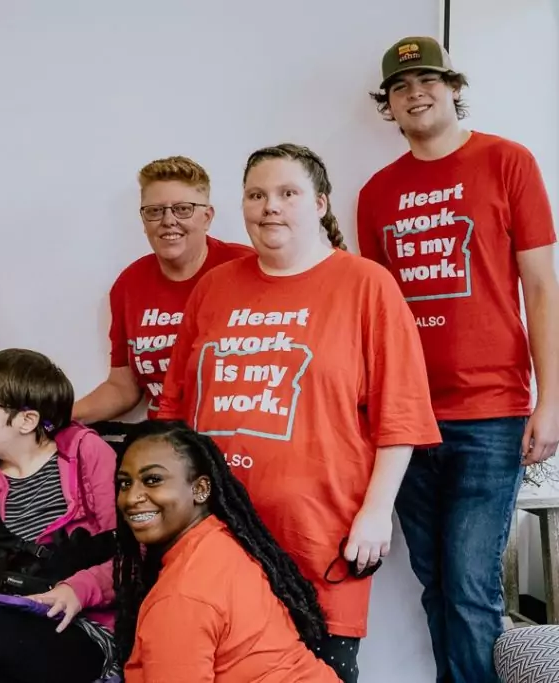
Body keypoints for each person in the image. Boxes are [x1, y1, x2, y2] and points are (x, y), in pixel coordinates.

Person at [156, 143, 441, 683]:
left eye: (288, 194)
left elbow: (400, 414)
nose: (270, 207)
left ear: (320, 205)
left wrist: (377, 513)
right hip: (216, 535)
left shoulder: (367, 286)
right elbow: (174, 410)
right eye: (257, 194)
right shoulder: (214, 288)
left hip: (319, 537)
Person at [357, 36, 559, 683]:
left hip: (490, 413)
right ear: (388, 104)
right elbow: (376, 318)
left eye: (428, 80)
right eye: (401, 85)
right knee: (436, 585)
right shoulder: (376, 193)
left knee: (471, 589)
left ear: (452, 87)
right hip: (408, 420)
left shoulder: (508, 162)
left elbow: (542, 288)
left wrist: (550, 401)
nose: (416, 92)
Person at [0, 348, 118, 682]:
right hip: (5, 627)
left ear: (27, 421)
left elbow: (132, 556)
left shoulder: (89, 455)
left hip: (83, 627)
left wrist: (77, 590)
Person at [114, 420, 340, 683]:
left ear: (200, 490)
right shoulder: (220, 539)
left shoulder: (181, 597)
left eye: (153, 480)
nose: (131, 498)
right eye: (124, 483)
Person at [72, 156, 254, 424]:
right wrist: (56, 417)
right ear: (143, 221)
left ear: (207, 217)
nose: (168, 220)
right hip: (167, 442)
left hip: (234, 433)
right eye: (155, 211)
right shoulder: (129, 284)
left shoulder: (245, 268)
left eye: (183, 209)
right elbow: (123, 388)